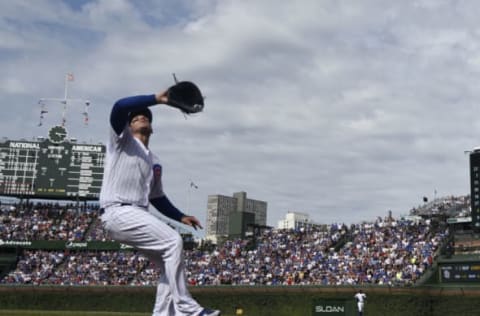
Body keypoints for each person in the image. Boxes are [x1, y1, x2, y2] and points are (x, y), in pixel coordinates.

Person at [99, 90, 221, 316]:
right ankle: (188, 310)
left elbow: (157, 198)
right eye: (134, 118)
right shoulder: (120, 142)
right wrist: (158, 99)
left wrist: (180, 216)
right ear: (128, 126)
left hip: (136, 214)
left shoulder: (154, 160)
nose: (141, 118)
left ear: (152, 128)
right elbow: (118, 105)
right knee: (173, 241)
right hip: (118, 211)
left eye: (145, 117)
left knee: (169, 262)